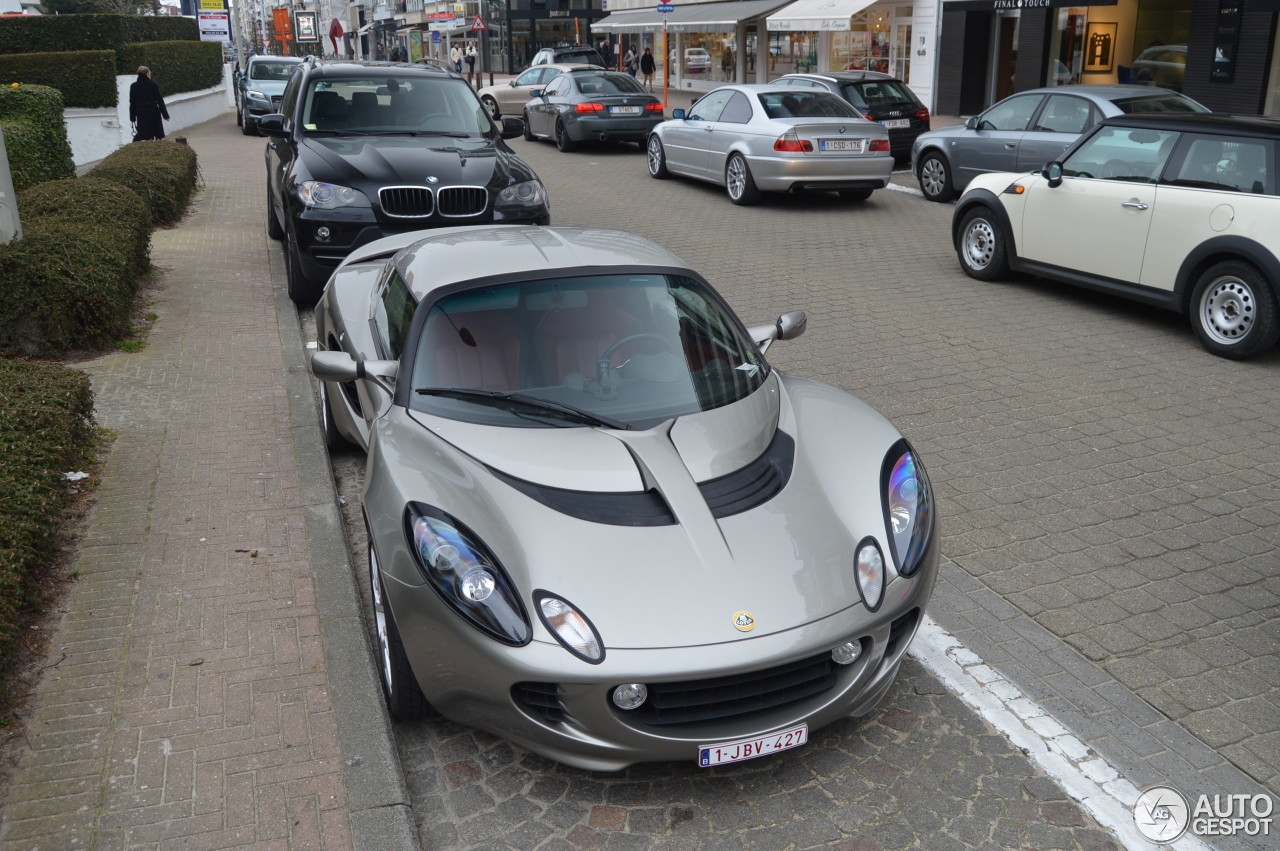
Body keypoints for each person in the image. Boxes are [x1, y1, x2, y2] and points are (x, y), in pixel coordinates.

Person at [129, 65, 169, 142]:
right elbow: (159, 100)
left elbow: (132, 102)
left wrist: (132, 117)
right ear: (147, 74)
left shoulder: (134, 86)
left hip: (141, 112)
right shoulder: (153, 85)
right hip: (153, 110)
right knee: (157, 133)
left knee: (146, 135)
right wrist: (165, 115)